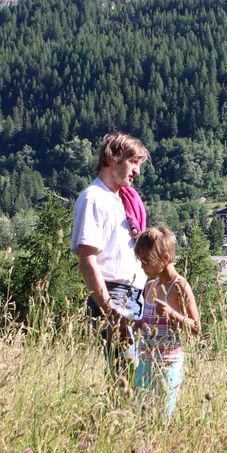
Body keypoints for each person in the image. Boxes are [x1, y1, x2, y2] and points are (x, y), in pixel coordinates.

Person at [72, 132, 150, 386]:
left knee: (137, 374)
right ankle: (123, 422)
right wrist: (108, 307)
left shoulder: (123, 200)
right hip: (115, 295)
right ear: (112, 158)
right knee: (127, 374)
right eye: (133, 162)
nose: (137, 171)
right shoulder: (94, 198)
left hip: (134, 294)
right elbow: (87, 259)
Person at [133, 227, 200, 420]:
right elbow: (149, 322)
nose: (142, 266)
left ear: (165, 258)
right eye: (140, 260)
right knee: (141, 414)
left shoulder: (179, 286)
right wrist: (137, 323)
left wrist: (172, 313)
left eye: (147, 260)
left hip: (168, 364)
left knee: (163, 417)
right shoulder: (149, 286)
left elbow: (196, 327)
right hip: (146, 361)